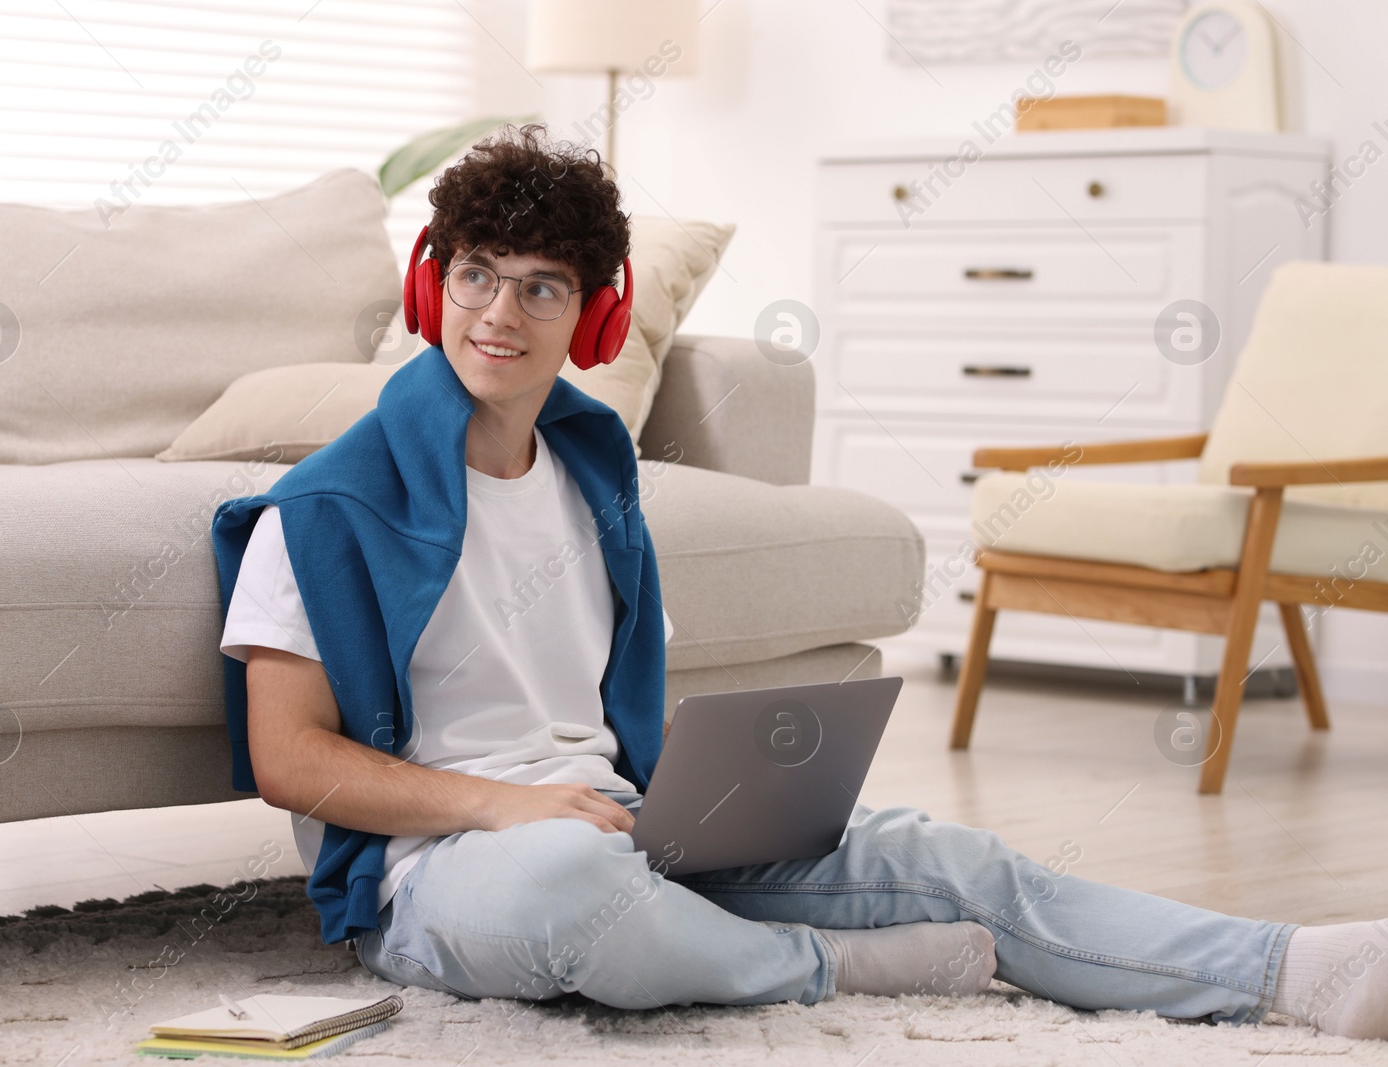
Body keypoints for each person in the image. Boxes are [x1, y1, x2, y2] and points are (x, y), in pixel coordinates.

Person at [210, 123, 1387, 1038]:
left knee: (945, 855)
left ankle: (1289, 968)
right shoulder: (325, 506)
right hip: (454, 871)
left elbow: (619, 725)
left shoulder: (595, 486)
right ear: (433, 286)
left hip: (622, 823)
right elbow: (289, 758)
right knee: (569, 886)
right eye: (475, 275)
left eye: (539, 286)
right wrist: (499, 802)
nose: (497, 314)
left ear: (595, 316)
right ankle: (824, 968)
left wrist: (721, 793)